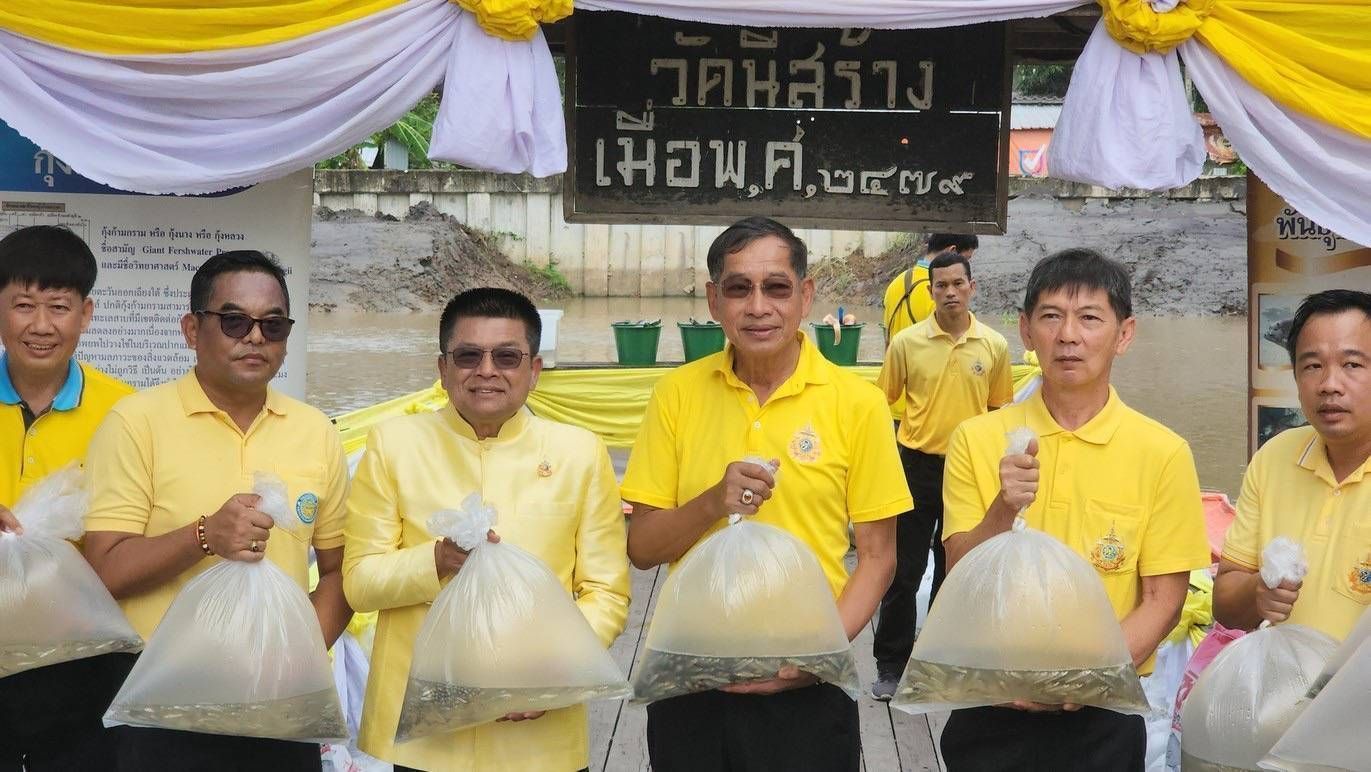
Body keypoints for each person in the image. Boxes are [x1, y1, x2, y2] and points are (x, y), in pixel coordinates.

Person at [621, 216, 908, 772]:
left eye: (776, 287)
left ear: (804, 296)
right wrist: (712, 502)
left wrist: (814, 655)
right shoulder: (676, 394)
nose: (758, 307)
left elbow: (878, 557)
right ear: (713, 299)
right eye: (738, 288)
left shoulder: (858, 404)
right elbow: (643, 548)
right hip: (692, 673)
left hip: (809, 683)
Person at [939, 248, 1209, 771]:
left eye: (1089, 318)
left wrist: (1078, 678)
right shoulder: (978, 438)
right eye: (1051, 317)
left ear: (1123, 334)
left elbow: (1162, 600)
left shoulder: (1162, 452)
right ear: (1024, 330)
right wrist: (1003, 508)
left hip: (1102, 713)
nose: (1068, 336)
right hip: (990, 704)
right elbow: (958, 576)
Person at [82, 250, 351, 771]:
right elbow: (104, 570)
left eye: (272, 325)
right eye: (234, 321)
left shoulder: (315, 431)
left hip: (279, 699)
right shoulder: (137, 423)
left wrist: (295, 657)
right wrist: (203, 535)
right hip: (164, 698)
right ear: (191, 328)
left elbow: (341, 572)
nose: (254, 337)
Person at [343, 287, 630, 772]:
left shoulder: (578, 452)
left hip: (541, 738)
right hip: (423, 732)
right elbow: (360, 583)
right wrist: (435, 560)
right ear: (443, 369)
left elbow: (605, 593)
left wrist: (549, 675)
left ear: (534, 371)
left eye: (507, 357)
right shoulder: (394, 445)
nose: (487, 371)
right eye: (468, 356)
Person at [0, 226, 135, 772]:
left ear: (86, 314)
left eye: (58, 306)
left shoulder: (126, 413)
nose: (40, 325)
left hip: (83, 658)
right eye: (23, 305)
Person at [869, 251, 1013, 700]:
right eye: (940, 285)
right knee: (904, 568)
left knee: (955, 568)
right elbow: (881, 404)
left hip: (968, 471)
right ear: (929, 291)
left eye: (957, 283)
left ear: (972, 286)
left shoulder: (994, 346)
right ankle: (891, 664)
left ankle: (937, 659)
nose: (949, 292)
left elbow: (998, 413)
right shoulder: (907, 344)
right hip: (915, 465)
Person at [1214, 289, 1371, 638]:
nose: (1330, 385)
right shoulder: (1275, 456)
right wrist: (1257, 593)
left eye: (1352, 365)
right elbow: (1224, 602)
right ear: (1297, 379)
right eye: (1313, 366)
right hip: (1283, 686)